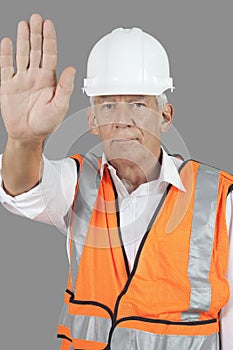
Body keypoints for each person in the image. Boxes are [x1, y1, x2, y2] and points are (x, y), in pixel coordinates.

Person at [0, 13, 233, 350]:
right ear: (92, 120)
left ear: (165, 117)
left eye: (138, 103)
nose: (122, 120)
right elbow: (22, 189)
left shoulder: (220, 200)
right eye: (108, 105)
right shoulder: (78, 184)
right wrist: (24, 142)